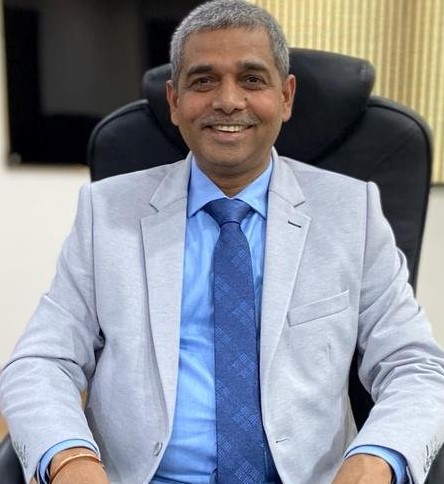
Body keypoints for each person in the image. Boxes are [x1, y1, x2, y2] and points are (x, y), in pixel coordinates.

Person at [1, 1, 444, 483]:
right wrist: (70, 459)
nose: (228, 101)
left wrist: (377, 457)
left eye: (252, 79)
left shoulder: (352, 212)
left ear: (286, 96)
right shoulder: (106, 212)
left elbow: (414, 365)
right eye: (203, 80)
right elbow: (42, 361)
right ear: (174, 101)